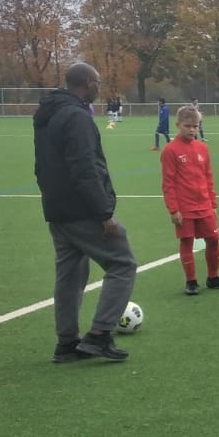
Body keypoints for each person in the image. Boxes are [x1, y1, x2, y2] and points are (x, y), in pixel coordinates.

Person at [34, 63, 137, 363]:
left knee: (70, 275)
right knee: (123, 263)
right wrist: (104, 213)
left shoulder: (48, 114)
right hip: (82, 209)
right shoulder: (76, 116)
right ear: (89, 83)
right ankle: (99, 335)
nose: (99, 88)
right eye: (98, 83)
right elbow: (84, 168)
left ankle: (66, 343)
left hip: (56, 208)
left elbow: (42, 165)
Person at [161, 106, 219, 296]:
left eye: (195, 126)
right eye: (187, 126)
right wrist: (173, 209)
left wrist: (213, 203)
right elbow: (168, 183)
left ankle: (213, 277)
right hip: (184, 207)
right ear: (178, 125)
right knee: (187, 241)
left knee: (213, 240)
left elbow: (208, 177)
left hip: (204, 205)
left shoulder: (202, 148)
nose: (192, 130)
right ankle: (191, 281)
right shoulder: (170, 150)